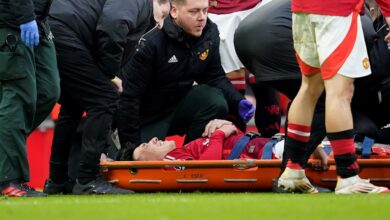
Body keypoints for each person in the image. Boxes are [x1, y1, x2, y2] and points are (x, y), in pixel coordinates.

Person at [43, 0, 171, 195]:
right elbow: (114, 25)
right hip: (66, 32)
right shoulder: (140, 3)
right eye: (163, 15)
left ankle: (58, 181)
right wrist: (109, 74)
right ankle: (88, 179)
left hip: (59, 28)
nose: (161, 24)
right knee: (104, 98)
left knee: (73, 106)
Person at [275, 0, 390, 194]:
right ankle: (348, 176)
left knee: (309, 87)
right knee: (340, 92)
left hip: (301, 10)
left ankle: (293, 170)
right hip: (338, 11)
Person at [117, 0, 255, 160]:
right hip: (144, 117)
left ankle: (191, 159)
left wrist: (237, 101)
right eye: (194, 11)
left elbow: (214, 77)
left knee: (214, 100)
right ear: (174, 11)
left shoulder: (209, 33)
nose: (202, 17)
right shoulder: (150, 40)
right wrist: (131, 149)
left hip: (175, 107)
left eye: (205, 10)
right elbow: (128, 98)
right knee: (139, 159)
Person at [0, 0, 60, 197]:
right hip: (12, 20)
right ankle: (8, 180)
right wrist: (25, 17)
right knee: (19, 96)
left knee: (48, 92)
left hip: (39, 22)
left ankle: (5, 152)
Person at [116, 119, 328, 166]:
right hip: (270, 152)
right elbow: (208, 166)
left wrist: (224, 127)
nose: (153, 139)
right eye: (145, 146)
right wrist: (219, 134)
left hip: (267, 147)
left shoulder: (180, 153)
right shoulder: (172, 159)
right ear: (147, 164)